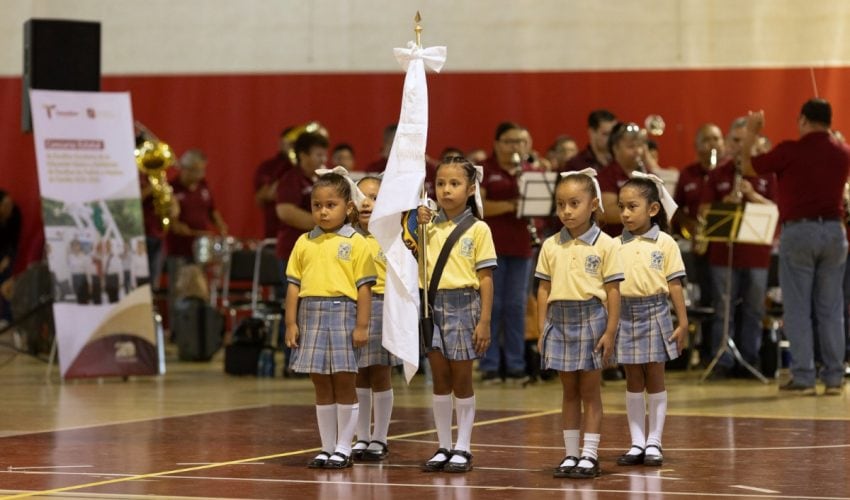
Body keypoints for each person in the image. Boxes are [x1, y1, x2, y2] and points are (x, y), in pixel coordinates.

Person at [742, 99, 850, 395]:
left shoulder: (789, 150)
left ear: (803, 120)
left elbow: (747, 166)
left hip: (799, 232)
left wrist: (751, 132)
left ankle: (804, 377)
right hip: (834, 231)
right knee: (832, 309)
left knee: (798, 308)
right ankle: (834, 378)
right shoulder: (843, 152)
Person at [284, 172, 377, 469]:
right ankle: (326, 447)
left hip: (343, 314)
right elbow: (294, 286)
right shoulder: (303, 242)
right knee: (321, 383)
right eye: (317, 205)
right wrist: (291, 323)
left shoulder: (357, 242)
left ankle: (344, 448)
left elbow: (364, 288)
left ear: (348, 208)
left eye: (330, 205)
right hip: (310, 314)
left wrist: (362, 325)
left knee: (344, 381)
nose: (323, 211)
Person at [535, 169, 622, 479]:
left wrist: (610, 330)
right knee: (568, 391)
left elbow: (613, 291)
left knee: (590, 390)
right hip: (558, 321)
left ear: (593, 204)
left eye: (574, 203)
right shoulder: (550, 245)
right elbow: (543, 289)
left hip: (592, 318)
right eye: (561, 204)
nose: (567, 211)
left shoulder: (607, 244)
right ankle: (571, 453)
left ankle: (589, 454)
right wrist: (543, 328)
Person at [418, 157, 496, 473]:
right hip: (430, 305)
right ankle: (443, 445)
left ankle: (463, 445)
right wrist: (414, 223)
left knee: (461, 378)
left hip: (464, 305)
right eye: (440, 184)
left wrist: (484, 321)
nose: (446, 190)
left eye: (454, 184)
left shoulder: (479, 229)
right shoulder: (426, 226)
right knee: (439, 377)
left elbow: (486, 279)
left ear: (471, 188)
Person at [614, 174, 687, 468]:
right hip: (624, 314)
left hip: (656, 311)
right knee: (633, 378)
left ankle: (654, 441)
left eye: (632, 207)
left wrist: (682, 322)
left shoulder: (666, 243)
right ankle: (637, 442)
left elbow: (675, 284)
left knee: (655, 376)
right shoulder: (614, 244)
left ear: (653, 209)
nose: (625, 213)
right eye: (621, 207)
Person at [699, 123, 777, 379]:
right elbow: (703, 212)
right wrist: (725, 203)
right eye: (734, 140)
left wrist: (753, 196)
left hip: (756, 255)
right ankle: (723, 360)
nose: (738, 146)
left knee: (754, 310)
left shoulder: (768, 175)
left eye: (744, 141)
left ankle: (749, 361)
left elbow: (777, 210)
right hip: (724, 254)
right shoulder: (718, 174)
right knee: (724, 310)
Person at [479, 122, 535, 383]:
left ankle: (515, 363)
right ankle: (489, 363)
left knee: (516, 306)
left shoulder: (531, 172)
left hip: (522, 247)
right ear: (497, 144)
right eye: (510, 141)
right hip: (492, 248)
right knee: (492, 304)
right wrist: (511, 205)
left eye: (521, 142)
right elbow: (479, 206)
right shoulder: (486, 170)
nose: (516, 146)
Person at [350, 175, 400, 461]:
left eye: (375, 197)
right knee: (358, 374)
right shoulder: (348, 236)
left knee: (380, 373)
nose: (367, 203)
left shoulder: (394, 235)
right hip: (354, 308)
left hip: (382, 306)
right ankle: (361, 436)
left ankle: (379, 437)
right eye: (361, 197)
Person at [275, 131, 330, 377]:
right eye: (318, 154)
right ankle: (292, 361)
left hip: (319, 254)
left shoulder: (322, 179)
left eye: (324, 154)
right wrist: (324, 221)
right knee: (294, 306)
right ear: (303, 155)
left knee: (314, 305)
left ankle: (313, 359)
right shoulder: (291, 179)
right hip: (293, 253)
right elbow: (285, 211)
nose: (322, 159)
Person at [673, 123, 725, 365]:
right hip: (701, 247)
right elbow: (676, 209)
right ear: (696, 146)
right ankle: (704, 353)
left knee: (722, 300)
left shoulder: (728, 171)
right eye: (707, 140)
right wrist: (690, 227)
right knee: (705, 299)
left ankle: (719, 351)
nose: (713, 144)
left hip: (724, 248)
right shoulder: (688, 174)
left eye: (717, 139)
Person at [165, 149, 228, 319]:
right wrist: (176, 225)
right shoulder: (171, 188)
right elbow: (169, 217)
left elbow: (212, 210)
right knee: (179, 288)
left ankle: (198, 323)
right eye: (195, 170)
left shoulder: (203, 186)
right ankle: (177, 326)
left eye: (202, 170)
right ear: (184, 168)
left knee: (200, 288)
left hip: (201, 250)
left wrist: (220, 225)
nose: (200, 174)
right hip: (179, 249)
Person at [598, 122, 648, 238]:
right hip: (617, 240)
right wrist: (643, 211)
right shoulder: (606, 175)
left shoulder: (647, 173)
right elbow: (607, 212)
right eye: (631, 147)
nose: (637, 151)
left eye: (640, 146)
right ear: (615, 149)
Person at [254, 128, 295, 239]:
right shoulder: (269, 167)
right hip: (276, 233)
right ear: (281, 143)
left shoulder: (307, 169)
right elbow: (262, 197)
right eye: (290, 143)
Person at [0, 190, 22, 321]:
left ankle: (7, 318)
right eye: (6, 205)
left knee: (6, 282)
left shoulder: (15, 213)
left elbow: (14, 241)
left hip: (7, 250)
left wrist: (7, 258)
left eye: (10, 204)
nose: (10, 207)